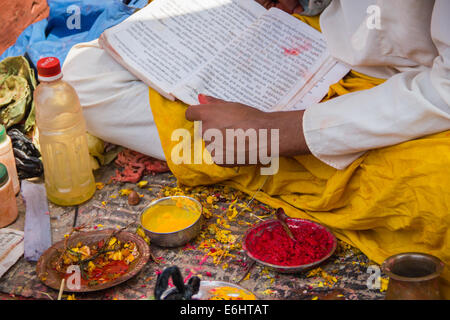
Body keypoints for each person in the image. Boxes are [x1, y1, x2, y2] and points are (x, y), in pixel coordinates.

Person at [63, 0, 450, 296]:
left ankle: (243, 150)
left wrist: (276, 130)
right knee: (85, 77)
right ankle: (241, 146)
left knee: (438, 194)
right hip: (318, 44)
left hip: (418, 100)